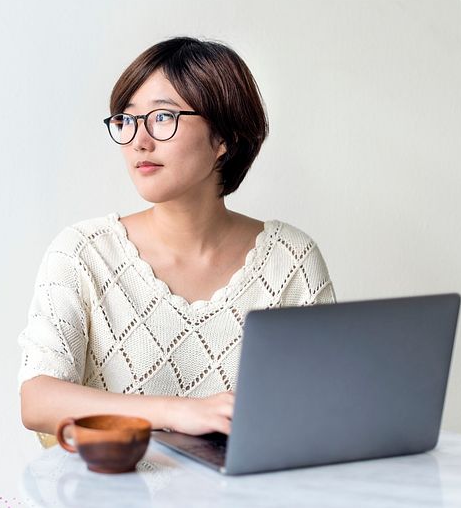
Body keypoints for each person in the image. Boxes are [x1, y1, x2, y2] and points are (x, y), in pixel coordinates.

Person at [17, 37, 336, 441]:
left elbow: (322, 406)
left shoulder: (290, 259)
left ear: (224, 139)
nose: (139, 140)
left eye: (163, 117)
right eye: (126, 120)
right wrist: (178, 412)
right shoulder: (82, 253)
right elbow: (38, 400)